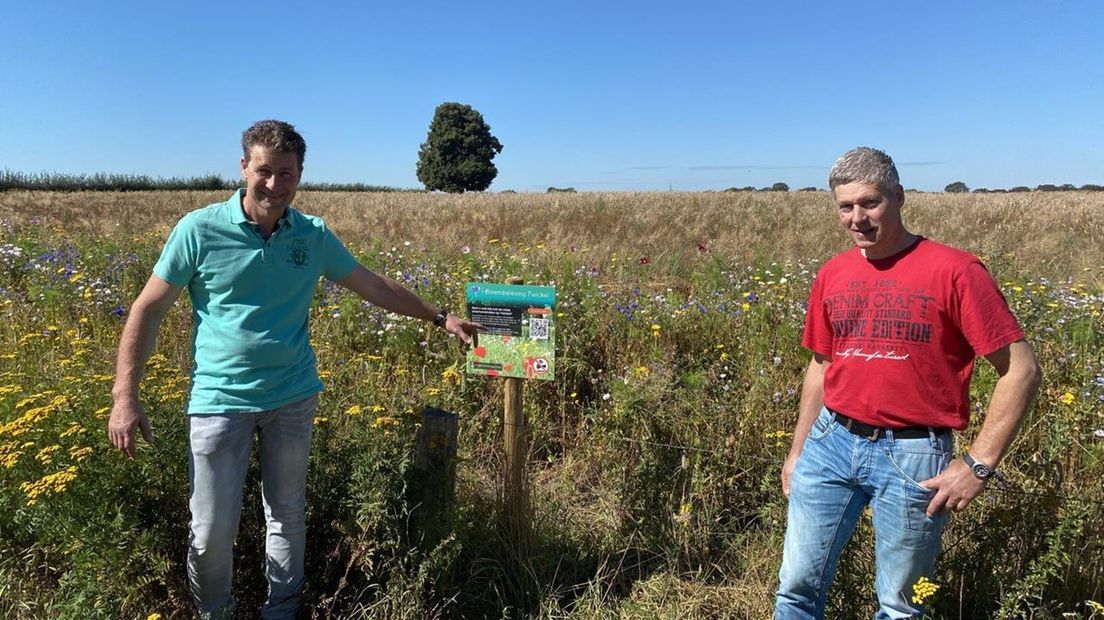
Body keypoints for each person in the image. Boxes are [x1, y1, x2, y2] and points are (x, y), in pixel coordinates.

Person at [108, 119, 481, 619]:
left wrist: (438, 316)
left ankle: (281, 611)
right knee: (211, 528)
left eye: (287, 173)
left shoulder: (313, 235)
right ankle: (213, 612)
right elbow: (147, 309)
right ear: (244, 168)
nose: (274, 184)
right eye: (264, 170)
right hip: (220, 401)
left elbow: (373, 286)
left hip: (292, 397)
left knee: (285, 515)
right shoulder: (198, 231)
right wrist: (125, 396)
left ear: (300, 174)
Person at [775, 147, 1041, 619]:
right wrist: (798, 452)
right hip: (831, 441)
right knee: (796, 588)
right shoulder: (833, 273)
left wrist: (978, 463)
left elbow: (1020, 369)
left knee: (900, 606)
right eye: (845, 206)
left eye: (870, 203)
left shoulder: (956, 270)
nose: (857, 218)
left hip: (913, 456)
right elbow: (820, 366)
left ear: (899, 197)